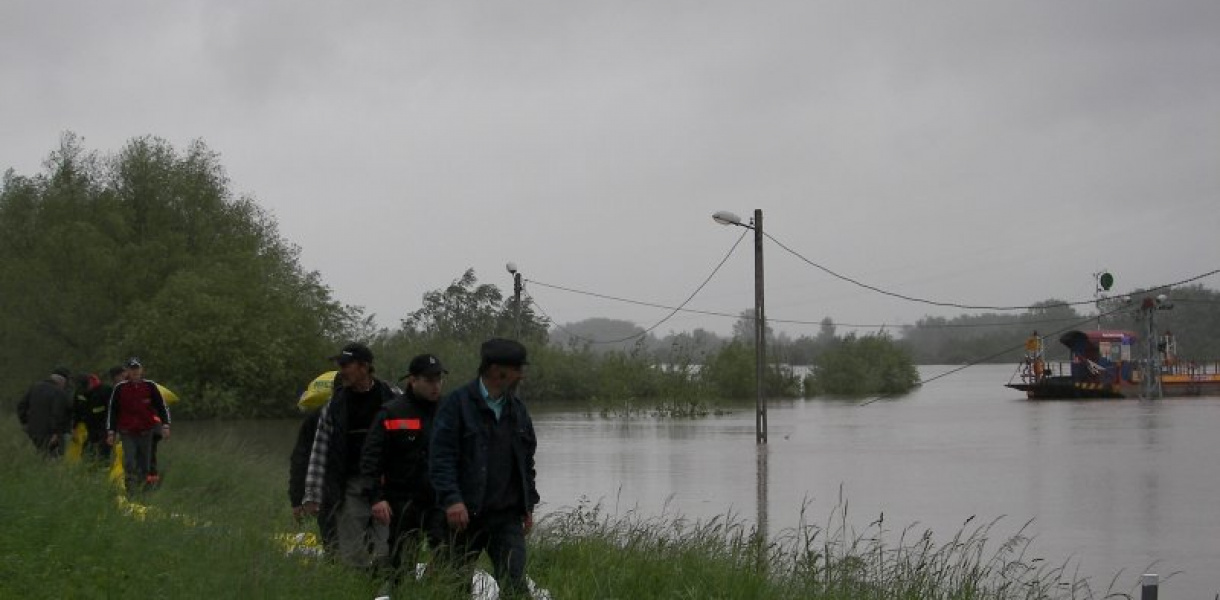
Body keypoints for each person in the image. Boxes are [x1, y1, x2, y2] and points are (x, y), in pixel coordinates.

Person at [430, 338, 539, 597]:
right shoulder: (456, 404)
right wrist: (452, 500)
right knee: (454, 585)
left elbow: (526, 462)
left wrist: (528, 505)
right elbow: (440, 458)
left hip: (507, 516)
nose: (521, 375)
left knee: (514, 583)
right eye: (516, 369)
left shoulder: (517, 410)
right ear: (495, 370)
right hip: (464, 516)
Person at [302, 342, 399, 567]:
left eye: (346, 365)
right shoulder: (334, 406)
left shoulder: (392, 396)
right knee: (353, 554)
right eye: (340, 365)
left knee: (388, 550)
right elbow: (320, 451)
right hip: (351, 486)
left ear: (364, 367)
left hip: (388, 485)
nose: (341, 371)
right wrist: (312, 495)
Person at [360, 353, 449, 588]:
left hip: (441, 500)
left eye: (439, 379)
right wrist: (376, 498)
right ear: (413, 380)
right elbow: (370, 460)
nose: (435, 385)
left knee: (448, 556)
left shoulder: (450, 411)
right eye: (429, 380)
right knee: (401, 562)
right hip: (403, 501)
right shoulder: (392, 412)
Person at [106, 357, 171, 494]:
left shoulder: (150, 386)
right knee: (130, 461)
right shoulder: (120, 388)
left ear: (142, 370)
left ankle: (144, 492)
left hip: (146, 431)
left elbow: (161, 406)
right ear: (127, 372)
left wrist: (165, 425)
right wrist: (111, 431)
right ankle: (130, 491)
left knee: (145, 464)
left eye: (137, 368)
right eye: (132, 369)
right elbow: (112, 410)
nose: (135, 371)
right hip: (127, 431)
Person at [17, 368, 74, 457]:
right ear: (62, 381)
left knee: (41, 454)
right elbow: (57, 415)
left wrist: (25, 422)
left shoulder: (35, 387)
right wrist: (56, 433)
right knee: (55, 457)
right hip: (51, 433)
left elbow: (21, 406)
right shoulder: (60, 393)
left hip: (33, 430)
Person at [73, 371, 110, 463]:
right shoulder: (79, 392)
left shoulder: (106, 390)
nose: (85, 391)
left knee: (104, 449)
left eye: (86, 388)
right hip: (88, 426)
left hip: (104, 425)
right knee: (87, 450)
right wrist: (74, 427)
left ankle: (103, 467)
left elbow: (112, 410)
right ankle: (87, 468)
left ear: (90, 382)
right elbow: (76, 411)